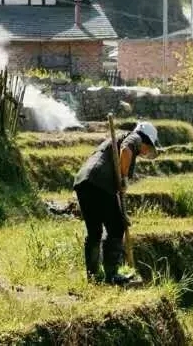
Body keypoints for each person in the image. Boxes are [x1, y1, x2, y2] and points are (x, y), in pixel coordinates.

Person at [73, 121, 159, 285]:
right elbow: (125, 150)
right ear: (146, 140)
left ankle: (93, 276)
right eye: (149, 148)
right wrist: (124, 177)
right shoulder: (135, 138)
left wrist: (121, 212)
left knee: (95, 231)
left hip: (84, 181)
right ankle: (111, 275)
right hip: (100, 183)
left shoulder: (122, 138)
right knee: (116, 227)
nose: (146, 152)